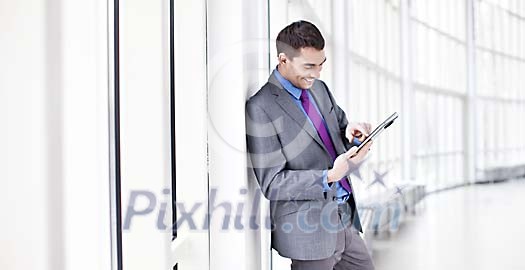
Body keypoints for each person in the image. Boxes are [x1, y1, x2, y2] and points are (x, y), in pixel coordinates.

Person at [246, 20, 375, 270]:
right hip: (309, 232)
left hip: (344, 217)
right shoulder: (261, 107)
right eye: (309, 66)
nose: (316, 74)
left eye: (321, 65)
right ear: (283, 60)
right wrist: (328, 177)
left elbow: (339, 125)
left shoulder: (319, 89)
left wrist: (352, 134)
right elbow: (272, 183)